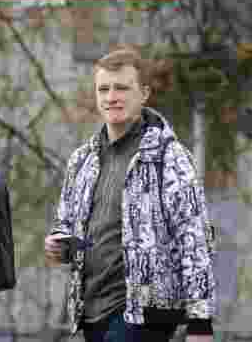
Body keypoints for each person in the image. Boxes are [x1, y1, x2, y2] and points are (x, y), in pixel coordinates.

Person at [46, 47, 216, 342]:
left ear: (144, 94)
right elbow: (66, 223)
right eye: (104, 89)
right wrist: (60, 243)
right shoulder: (82, 160)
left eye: (122, 88)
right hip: (91, 311)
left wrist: (200, 322)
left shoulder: (169, 157)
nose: (112, 97)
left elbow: (195, 240)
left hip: (145, 311)